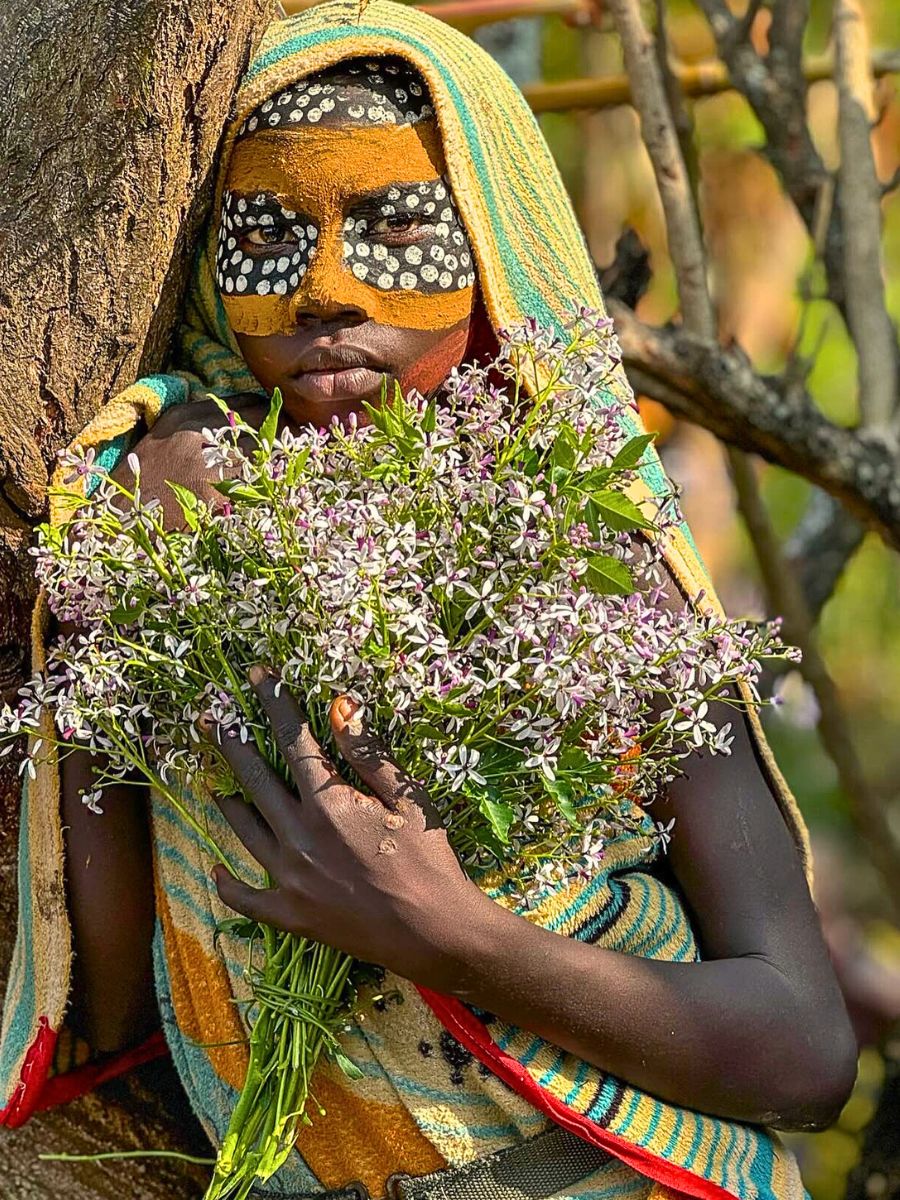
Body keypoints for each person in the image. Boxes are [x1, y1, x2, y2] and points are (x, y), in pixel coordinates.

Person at [0, 3, 856, 1197]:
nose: (320, 292)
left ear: (497, 238)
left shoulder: (588, 563)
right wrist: (107, 595)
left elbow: (808, 1055)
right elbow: (116, 991)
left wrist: (448, 933)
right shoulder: (172, 512)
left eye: (395, 220)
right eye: (265, 232)